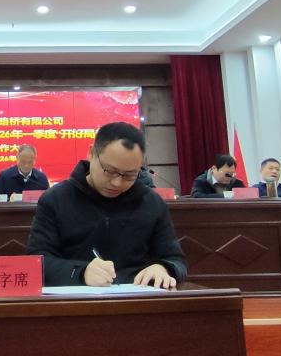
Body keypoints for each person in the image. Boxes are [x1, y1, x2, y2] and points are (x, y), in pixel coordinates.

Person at [26, 122, 186, 288]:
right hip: (77, 300)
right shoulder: (55, 199)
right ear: (91, 153)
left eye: (129, 175)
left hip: (137, 298)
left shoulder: (152, 202)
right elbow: (37, 262)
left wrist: (164, 268)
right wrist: (81, 272)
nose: (117, 183)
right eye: (110, 171)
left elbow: (176, 260)